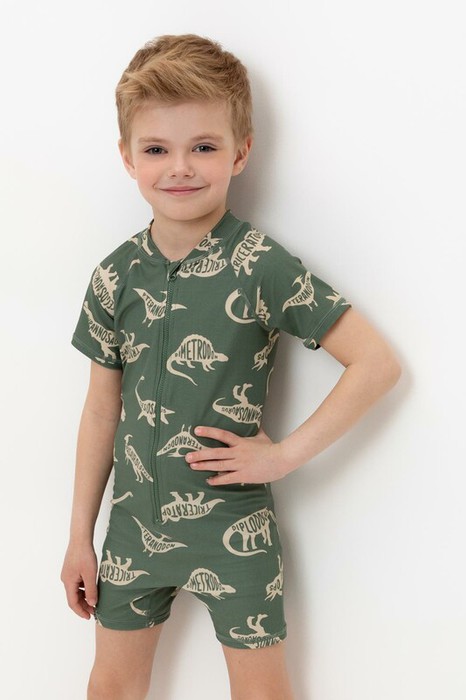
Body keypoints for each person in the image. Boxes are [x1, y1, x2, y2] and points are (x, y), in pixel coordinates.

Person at [60, 33, 401, 700]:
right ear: (127, 156)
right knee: (110, 687)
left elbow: (375, 363)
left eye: (204, 147)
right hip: (131, 531)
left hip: (233, 526)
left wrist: (283, 456)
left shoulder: (262, 265)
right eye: (156, 149)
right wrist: (79, 536)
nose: (179, 167)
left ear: (240, 152)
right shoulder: (114, 276)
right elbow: (101, 409)